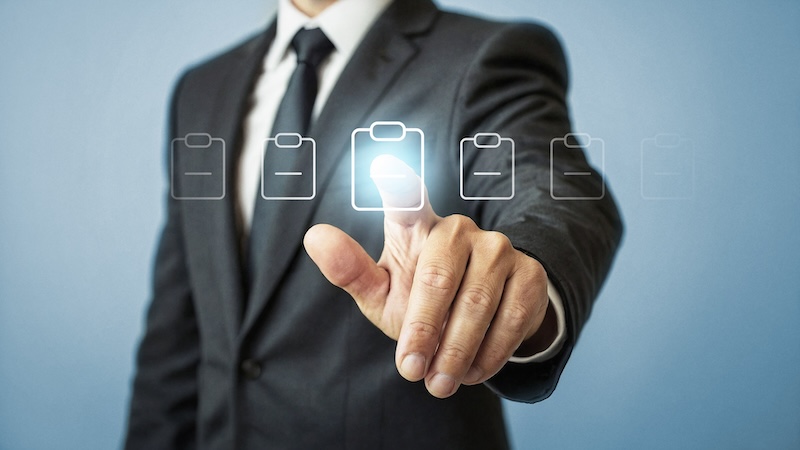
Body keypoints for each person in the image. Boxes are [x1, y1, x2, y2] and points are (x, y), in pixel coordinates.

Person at [124, 0, 623, 448]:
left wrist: (521, 279)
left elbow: (551, 187)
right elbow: (177, 334)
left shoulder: (486, 56)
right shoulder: (201, 90)